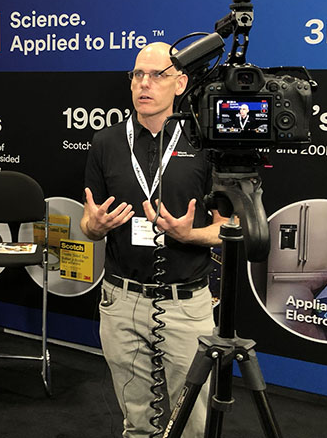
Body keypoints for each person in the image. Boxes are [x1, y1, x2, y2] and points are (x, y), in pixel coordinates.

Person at [81, 42, 227, 437]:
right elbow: (88, 224)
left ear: (180, 83)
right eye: (137, 74)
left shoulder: (204, 142)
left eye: (157, 75)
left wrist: (190, 234)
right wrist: (96, 226)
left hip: (186, 305)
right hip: (121, 301)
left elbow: (231, 227)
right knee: (136, 422)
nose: (144, 83)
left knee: (193, 423)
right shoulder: (106, 142)